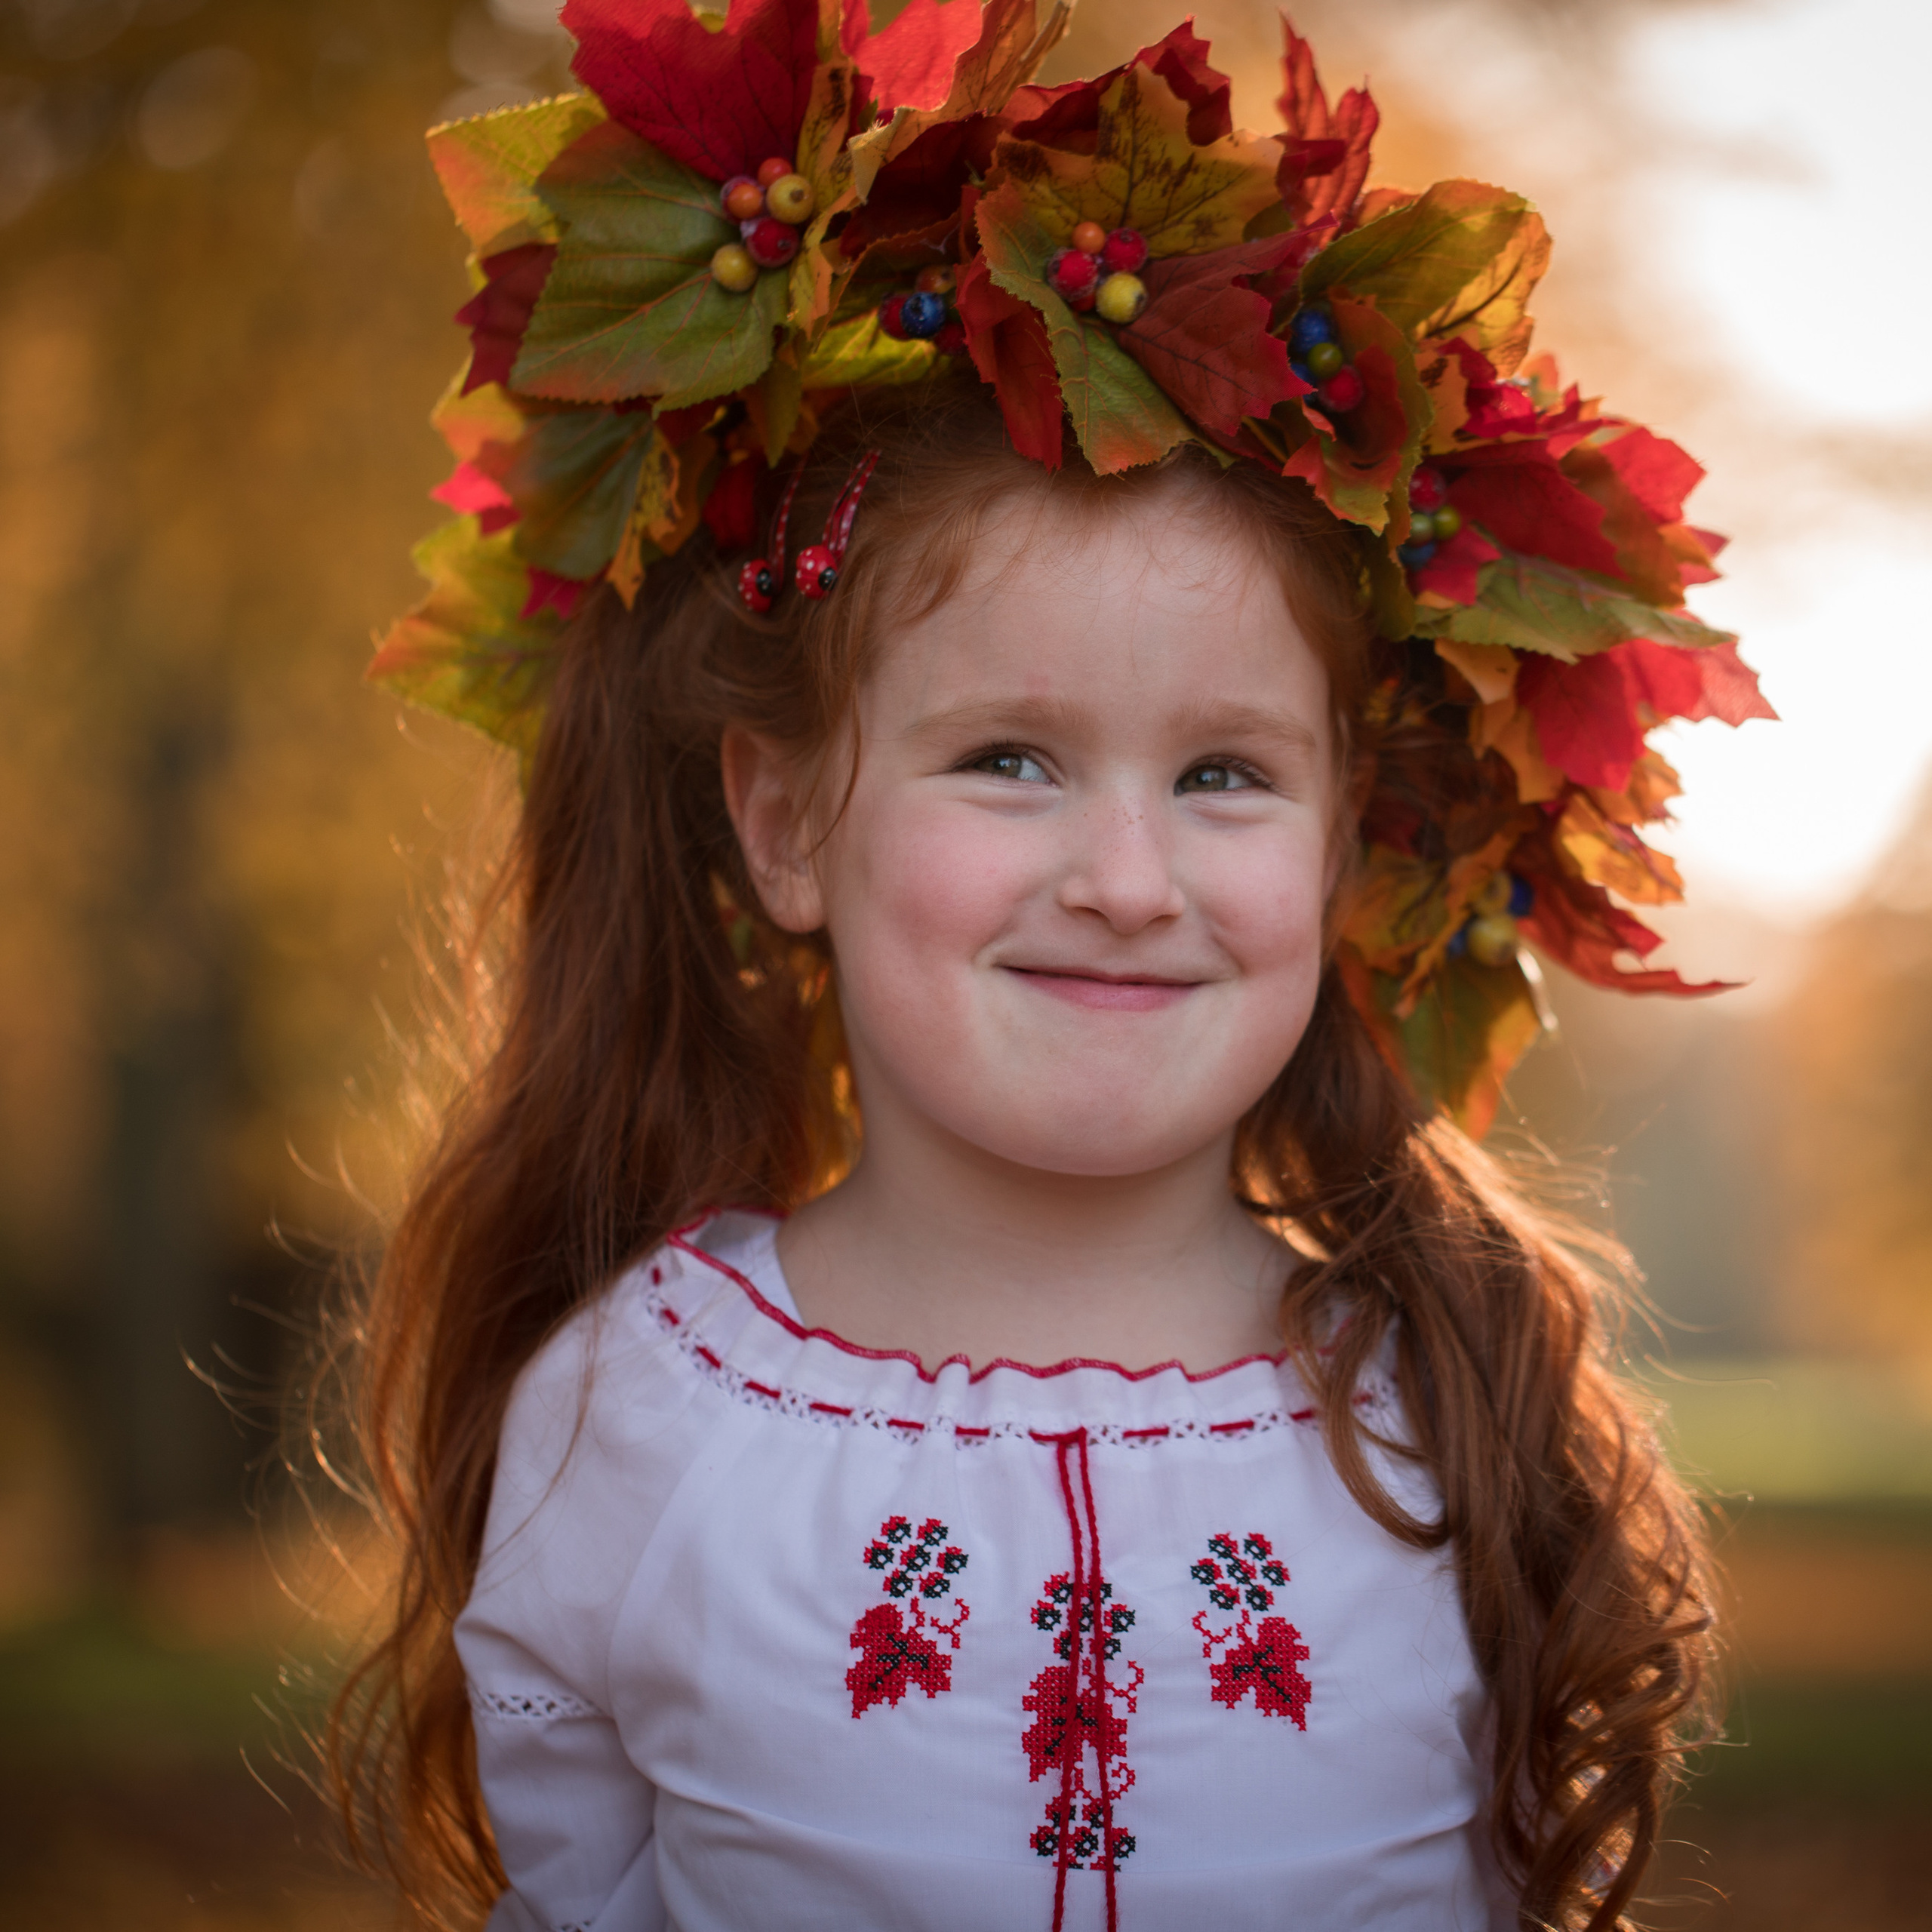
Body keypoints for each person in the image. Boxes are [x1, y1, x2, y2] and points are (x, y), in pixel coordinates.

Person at [333, 5, 1770, 1928]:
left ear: (1340, 836)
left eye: (1221, 775)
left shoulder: (1453, 1405)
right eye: (1006, 758)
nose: (1120, 876)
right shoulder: (633, 1408)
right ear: (780, 823)